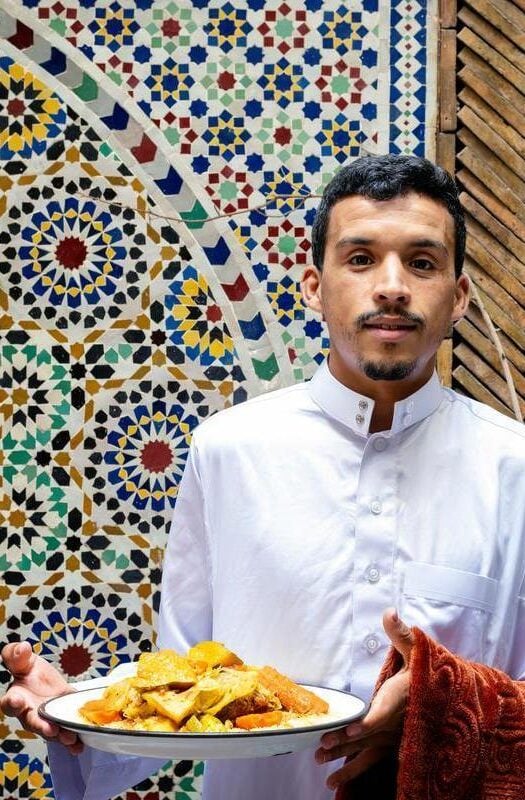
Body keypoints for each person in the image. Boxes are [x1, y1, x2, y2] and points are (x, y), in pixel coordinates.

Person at [2, 154, 524, 800]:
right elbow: (182, 687)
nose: (391, 286)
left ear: (458, 297)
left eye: (421, 263)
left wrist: (441, 716)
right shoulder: (228, 451)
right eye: (359, 259)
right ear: (313, 287)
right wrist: (80, 718)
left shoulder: (514, 469)